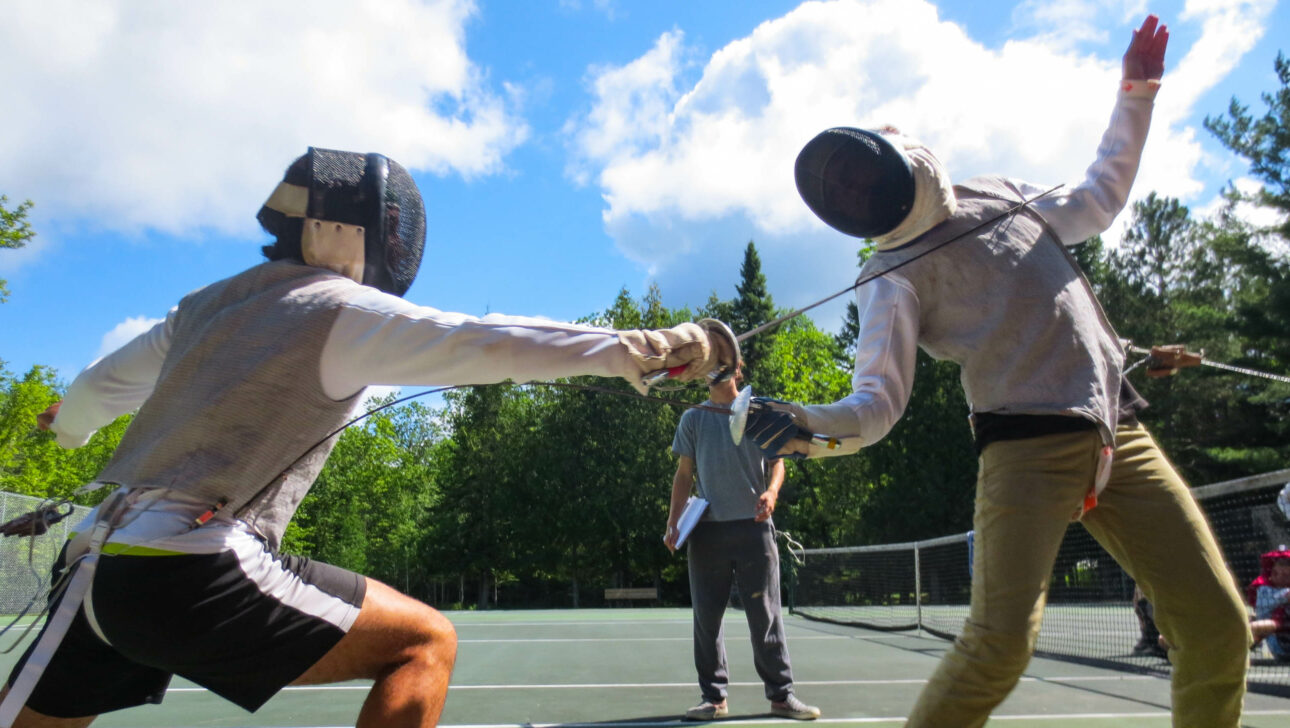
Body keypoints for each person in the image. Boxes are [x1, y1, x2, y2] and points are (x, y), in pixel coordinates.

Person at [0, 147, 735, 728]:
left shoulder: (199, 307)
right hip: (186, 564)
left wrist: (65, 428)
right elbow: (487, 341)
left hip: (96, 561)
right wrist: (653, 346)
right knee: (425, 644)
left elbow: (98, 389)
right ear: (358, 232)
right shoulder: (339, 309)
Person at [744, 15, 1252, 728]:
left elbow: (1099, 198)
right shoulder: (888, 276)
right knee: (999, 646)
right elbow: (876, 404)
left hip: (1120, 435)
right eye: (844, 191)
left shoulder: (998, 195)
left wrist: (1137, 92)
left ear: (889, 149)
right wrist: (804, 427)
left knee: (1220, 626)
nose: (856, 190)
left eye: (858, 173)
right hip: (1024, 454)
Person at [665, 365, 820, 721]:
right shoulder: (693, 418)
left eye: (720, 364)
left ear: (736, 368)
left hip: (755, 529)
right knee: (706, 619)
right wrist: (673, 521)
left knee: (766, 616)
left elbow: (778, 462)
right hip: (707, 533)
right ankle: (713, 700)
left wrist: (771, 491)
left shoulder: (759, 412)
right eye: (707, 367)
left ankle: (782, 697)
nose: (711, 372)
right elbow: (684, 474)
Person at [1247, 549, 1290, 661]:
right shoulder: (1264, 589)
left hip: (1281, 638)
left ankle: (1247, 634)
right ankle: (1244, 633)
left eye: (1286, 576)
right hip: (1277, 640)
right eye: (1275, 572)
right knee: (1267, 623)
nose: (1278, 576)